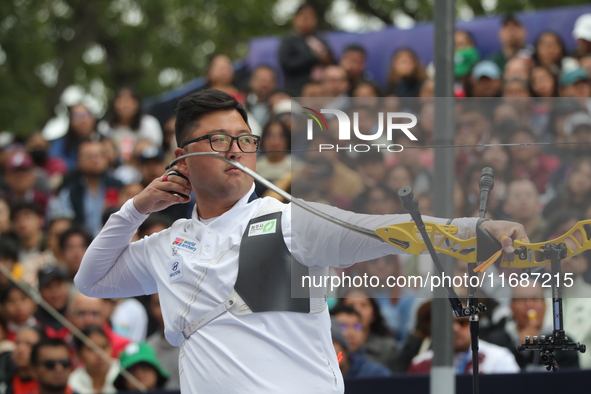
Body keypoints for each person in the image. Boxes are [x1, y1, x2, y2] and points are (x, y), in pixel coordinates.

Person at [74, 89, 528, 393]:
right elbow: (91, 281)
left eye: (244, 139)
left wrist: (472, 231)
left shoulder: (287, 221)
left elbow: (383, 229)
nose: (235, 150)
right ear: (183, 159)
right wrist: (135, 209)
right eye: (217, 140)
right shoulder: (167, 243)